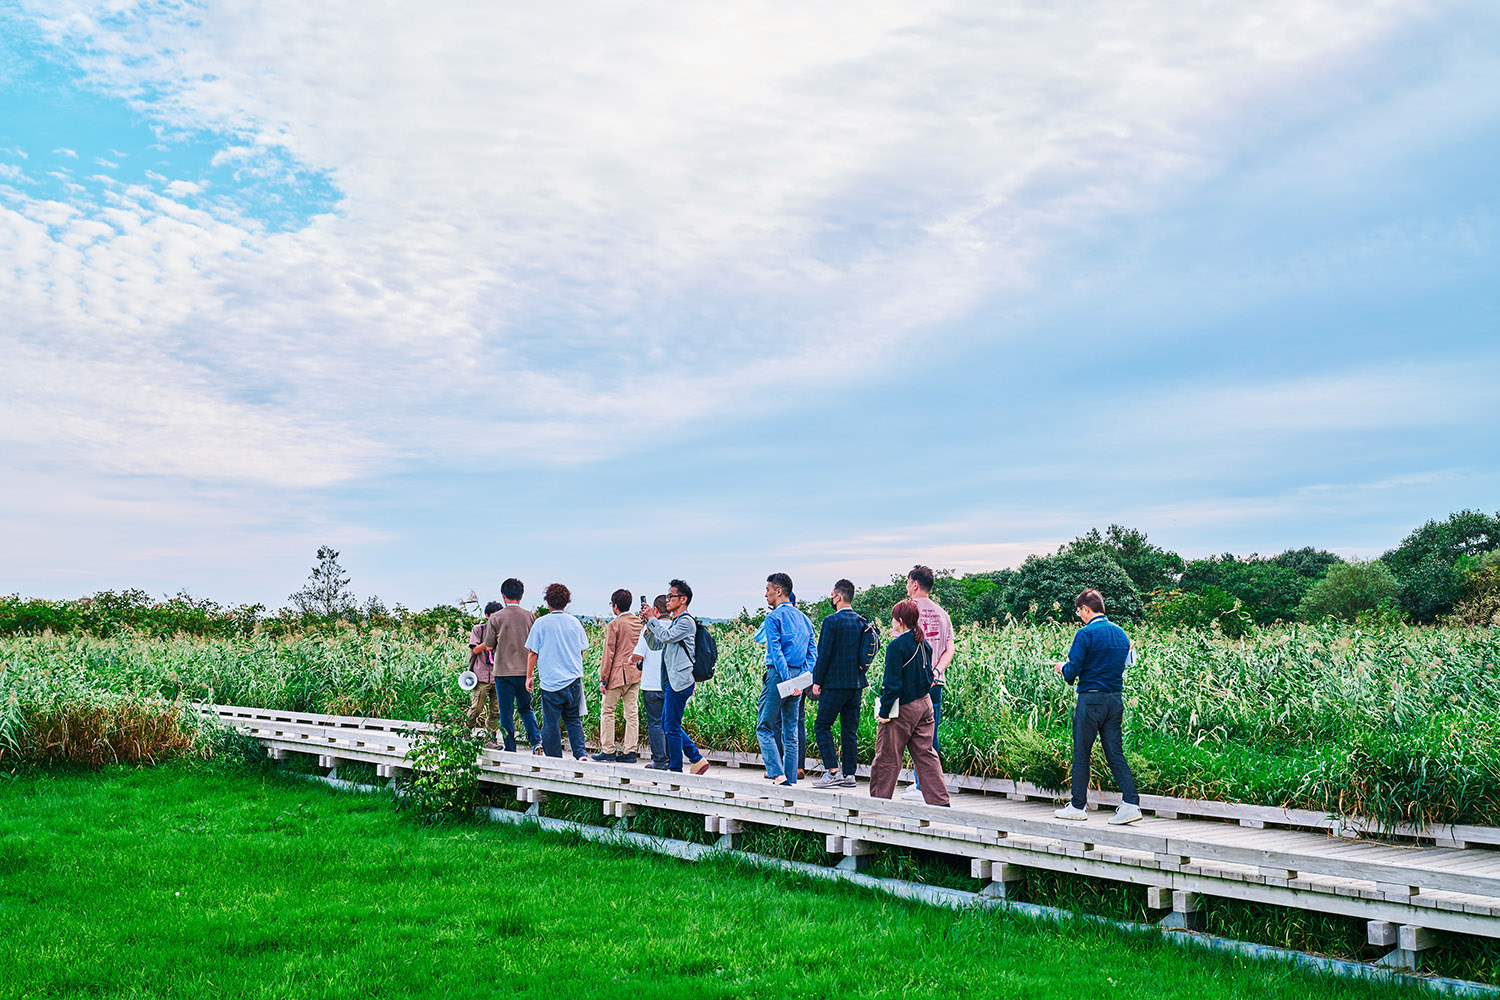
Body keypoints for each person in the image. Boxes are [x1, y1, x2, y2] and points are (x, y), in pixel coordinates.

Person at [1054, 589, 1143, 825]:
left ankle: (1077, 805)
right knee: (1114, 752)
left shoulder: (1085, 634)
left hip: (1091, 699)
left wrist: (1062, 667)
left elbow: (1073, 671)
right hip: (1115, 699)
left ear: (1085, 608)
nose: (1079, 615)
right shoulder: (1121, 634)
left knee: (1082, 752)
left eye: (1079, 611)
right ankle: (1131, 802)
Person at [868, 600, 949, 805]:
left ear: (900, 621)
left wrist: (884, 713)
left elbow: (892, 684)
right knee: (926, 755)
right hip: (925, 705)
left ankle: (879, 803)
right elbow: (929, 676)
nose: (892, 622)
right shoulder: (924, 643)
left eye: (894, 618)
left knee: (886, 757)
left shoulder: (897, 646)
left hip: (903, 708)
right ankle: (941, 802)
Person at [641, 579, 712, 775]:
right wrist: (648, 625)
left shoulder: (686, 622)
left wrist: (652, 620)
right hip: (672, 680)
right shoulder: (675, 623)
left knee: (671, 727)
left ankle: (675, 771)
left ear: (683, 599)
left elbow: (666, 637)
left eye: (671, 596)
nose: (667, 600)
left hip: (679, 681)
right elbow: (656, 645)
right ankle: (696, 758)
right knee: (668, 723)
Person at [756, 573, 816, 785]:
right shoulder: (806, 620)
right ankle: (790, 781)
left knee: (764, 725)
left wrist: (787, 681)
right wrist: (800, 681)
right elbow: (812, 655)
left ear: (778, 591)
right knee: (791, 731)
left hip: (778, 677)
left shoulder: (773, 618)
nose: (766, 594)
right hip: (799, 677)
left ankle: (777, 773)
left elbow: (776, 651)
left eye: (768, 590)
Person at [810, 579, 869, 788]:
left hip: (834, 684)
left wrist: (817, 681)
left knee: (822, 725)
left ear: (838, 596)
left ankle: (833, 770)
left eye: (832, 594)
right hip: (856, 685)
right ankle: (850, 774)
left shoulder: (831, 622)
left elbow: (823, 654)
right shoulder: (863, 622)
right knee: (849, 730)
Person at [903, 564, 954, 800]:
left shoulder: (907, 612)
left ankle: (920, 785)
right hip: (936, 683)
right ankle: (927, 784)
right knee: (931, 735)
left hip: (913, 684)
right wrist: (935, 672)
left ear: (914, 585)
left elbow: (901, 649)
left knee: (912, 736)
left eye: (907, 582)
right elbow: (949, 650)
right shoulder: (943, 614)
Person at [525, 583, 590, 759]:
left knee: (551, 723)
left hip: (551, 681)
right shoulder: (575, 622)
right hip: (573, 679)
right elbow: (581, 649)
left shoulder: (541, 623)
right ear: (566, 602)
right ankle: (580, 754)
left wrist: (529, 676)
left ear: (548, 602)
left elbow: (533, 653)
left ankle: (554, 758)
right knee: (573, 719)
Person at [478, 578, 542, 753]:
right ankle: (536, 742)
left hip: (503, 672)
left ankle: (510, 747)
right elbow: (536, 645)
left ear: (504, 596)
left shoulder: (496, 617)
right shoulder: (530, 616)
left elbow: (489, 645)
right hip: (524, 671)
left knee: (506, 712)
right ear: (521, 596)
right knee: (525, 709)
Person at [596, 588, 645, 762]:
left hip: (617, 675)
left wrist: (604, 679)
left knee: (607, 711)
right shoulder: (640, 623)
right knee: (631, 713)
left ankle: (608, 750)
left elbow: (608, 654)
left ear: (615, 606)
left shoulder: (614, 625)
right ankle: (630, 751)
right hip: (636, 674)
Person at [633, 594, 671, 769]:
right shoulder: (675, 627)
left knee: (655, 723)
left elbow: (637, 655)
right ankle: (673, 760)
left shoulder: (649, 628)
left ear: (655, 610)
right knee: (670, 723)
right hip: (671, 684)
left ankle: (660, 761)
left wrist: (630, 661)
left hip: (651, 684)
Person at [466, 601, 504, 747]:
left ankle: (491, 739)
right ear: (487, 616)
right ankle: (465, 733)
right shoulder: (478, 630)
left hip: (498, 676)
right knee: (476, 708)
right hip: (481, 676)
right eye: (494, 617)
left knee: (496, 711)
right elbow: (475, 650)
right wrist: (489, 640)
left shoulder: (503, 632)